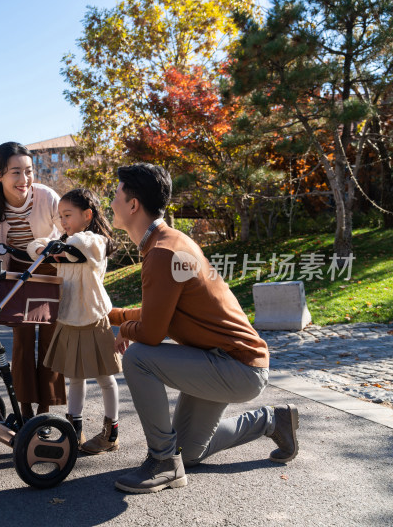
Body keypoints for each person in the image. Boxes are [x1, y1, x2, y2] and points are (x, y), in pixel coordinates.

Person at [107, 162, 299, 494]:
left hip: (236, 366)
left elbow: (151, 333)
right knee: (191, 452)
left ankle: (163, 463)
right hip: (220, 360)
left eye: (116, 194)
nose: (111, 201)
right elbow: (159, 313)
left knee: (138, 356)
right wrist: (115, 317)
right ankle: (272, 421)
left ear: (133, 204)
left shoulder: (164, 252)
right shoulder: (167, 243)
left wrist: (126, 331)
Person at [0, 141, 66, 419]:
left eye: (28, 171)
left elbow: (68, 234)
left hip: (50, 271)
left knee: (51, 341)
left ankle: (46, 408)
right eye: (16, 172)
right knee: (22, 341)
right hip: (16, 276)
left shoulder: (47, 197)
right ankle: (24, 409)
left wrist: (51, 251)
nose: (24, 179)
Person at [27, 188, 121, 454]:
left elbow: (81, 245)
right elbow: (34, 247)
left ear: (87, 215)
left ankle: (111, 432)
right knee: (75, 378)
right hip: (69, 318)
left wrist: (53, 247)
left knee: (105, 377)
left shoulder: (94, 242)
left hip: (93, 317)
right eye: (60, 216)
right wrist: (47, 246)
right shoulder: (65, 243)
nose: (63, 221)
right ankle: (74, 430)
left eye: (68, 215)